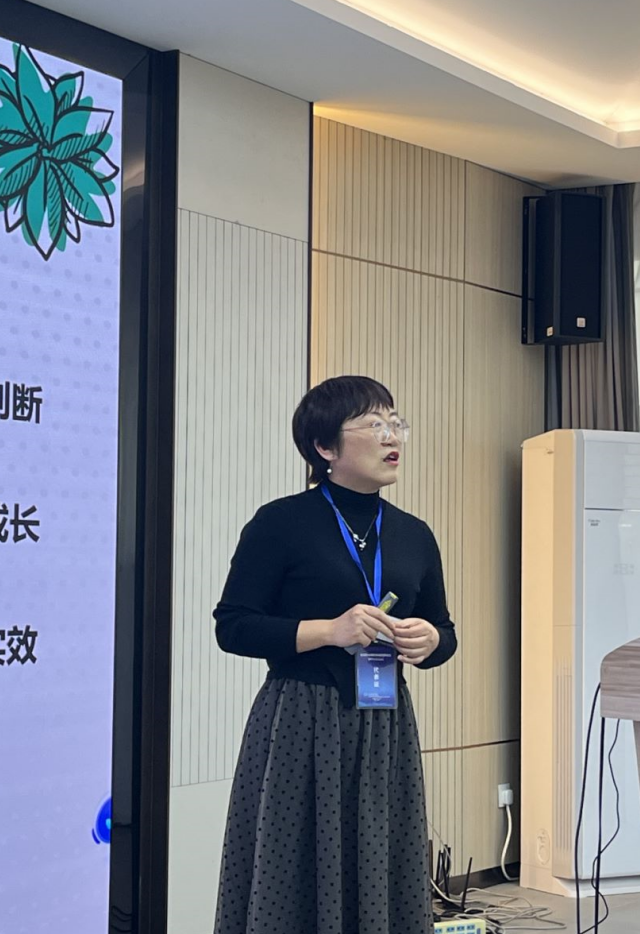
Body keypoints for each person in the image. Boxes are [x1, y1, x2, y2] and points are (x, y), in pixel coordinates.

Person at [212, 375, 457, 934]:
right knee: (291, 871)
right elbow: (234, 626)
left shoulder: (414, 535)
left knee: (383, 864)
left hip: (385, 723)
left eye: (395, 422)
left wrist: (431, 641)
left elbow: (443, 630)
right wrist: (328, 630)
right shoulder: (281, 523)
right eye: (374, 424)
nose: (392, 435)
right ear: (324, 447)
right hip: (300, 719)